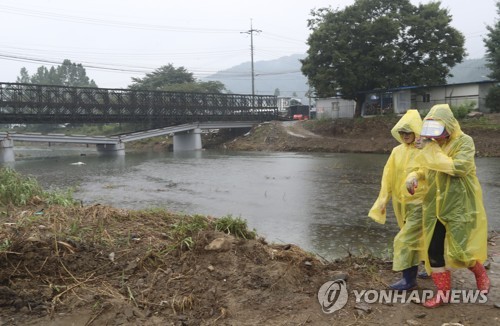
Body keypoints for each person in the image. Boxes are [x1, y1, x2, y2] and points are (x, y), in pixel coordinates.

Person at [405, 104, 490, 308]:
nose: (436, 137)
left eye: (439, 131)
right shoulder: (433, 145)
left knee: (461, 252)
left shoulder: (464, 142)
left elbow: (459, 168)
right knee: (433, 250)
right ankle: (443, 294)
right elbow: (428, 168)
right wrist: (414, 175)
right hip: (435, 206)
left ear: (449, 126)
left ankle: (480, 272)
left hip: (459, 205)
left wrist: (430, 148)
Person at [369, 109, 426, 291]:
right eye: (401, 132)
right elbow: (388, 176)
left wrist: (416, 174)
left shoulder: (424, 149)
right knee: (415, 238)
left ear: (416, 130)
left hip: (421, 203)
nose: (404, 135)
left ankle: (409, 280)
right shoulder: (396, 151)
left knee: (404, 239)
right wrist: (383, 199)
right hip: (402, 204)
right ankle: (430, 269)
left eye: (408, 131)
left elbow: (432, 170)